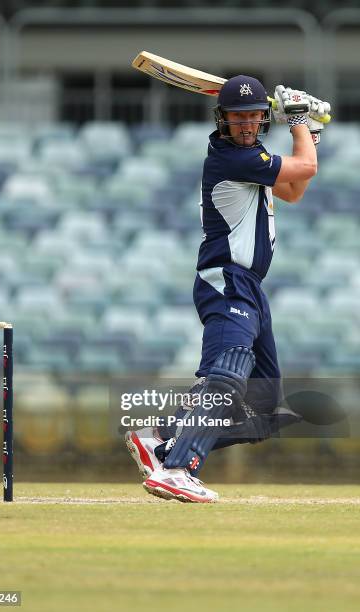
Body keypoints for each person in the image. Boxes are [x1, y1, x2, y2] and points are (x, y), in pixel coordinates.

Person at [125, 76, 331, 503]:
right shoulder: (231, 158)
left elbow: (293, 190)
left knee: (262, 410)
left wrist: (306, 131)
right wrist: (299, 123)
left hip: (249, 286)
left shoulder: (252, 158)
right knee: (227, 376)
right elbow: (306, 167)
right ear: (223, 120)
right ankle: (178, 467)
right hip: (226, 280)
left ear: (261, 119)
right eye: (238, 117)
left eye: (254, 116)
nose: (246, 124)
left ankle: (159, 438)